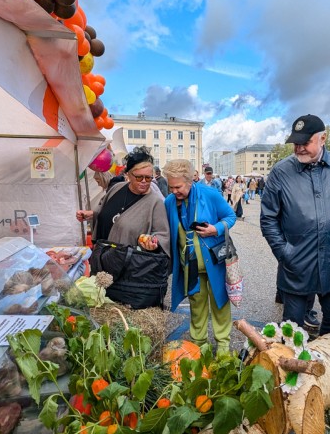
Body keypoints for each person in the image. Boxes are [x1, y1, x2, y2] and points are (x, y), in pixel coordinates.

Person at [261, 114, 330, 335]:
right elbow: (268, 217)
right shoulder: (281, 171)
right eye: (296, 143)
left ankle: (328, 363)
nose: (299, 149)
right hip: (297, 262)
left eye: (305, 143)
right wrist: (284, 251)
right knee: (292, 327)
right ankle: (295, 367)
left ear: (323, 138)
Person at [164, 159, 237, 355]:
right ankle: (199, 343)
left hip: (214, 261)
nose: (174, 191)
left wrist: (216, 229)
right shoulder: (169, 201)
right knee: (196, 303)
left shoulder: (210, 194)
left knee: (220, 301)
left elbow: (231, 217)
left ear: (190, 180)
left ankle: (222, 344)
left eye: (178, 187)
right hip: (189, 264)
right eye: (170, 187)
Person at [76, 147, 170, 276]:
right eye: (138, 177)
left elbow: (162, 234)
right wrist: (92, 214)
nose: (144, 181)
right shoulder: (116, 188)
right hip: (101, 258)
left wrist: (152, 242)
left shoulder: (155, 202)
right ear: (128, 175)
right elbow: (105, 210)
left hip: (128, 268)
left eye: (148, 178)